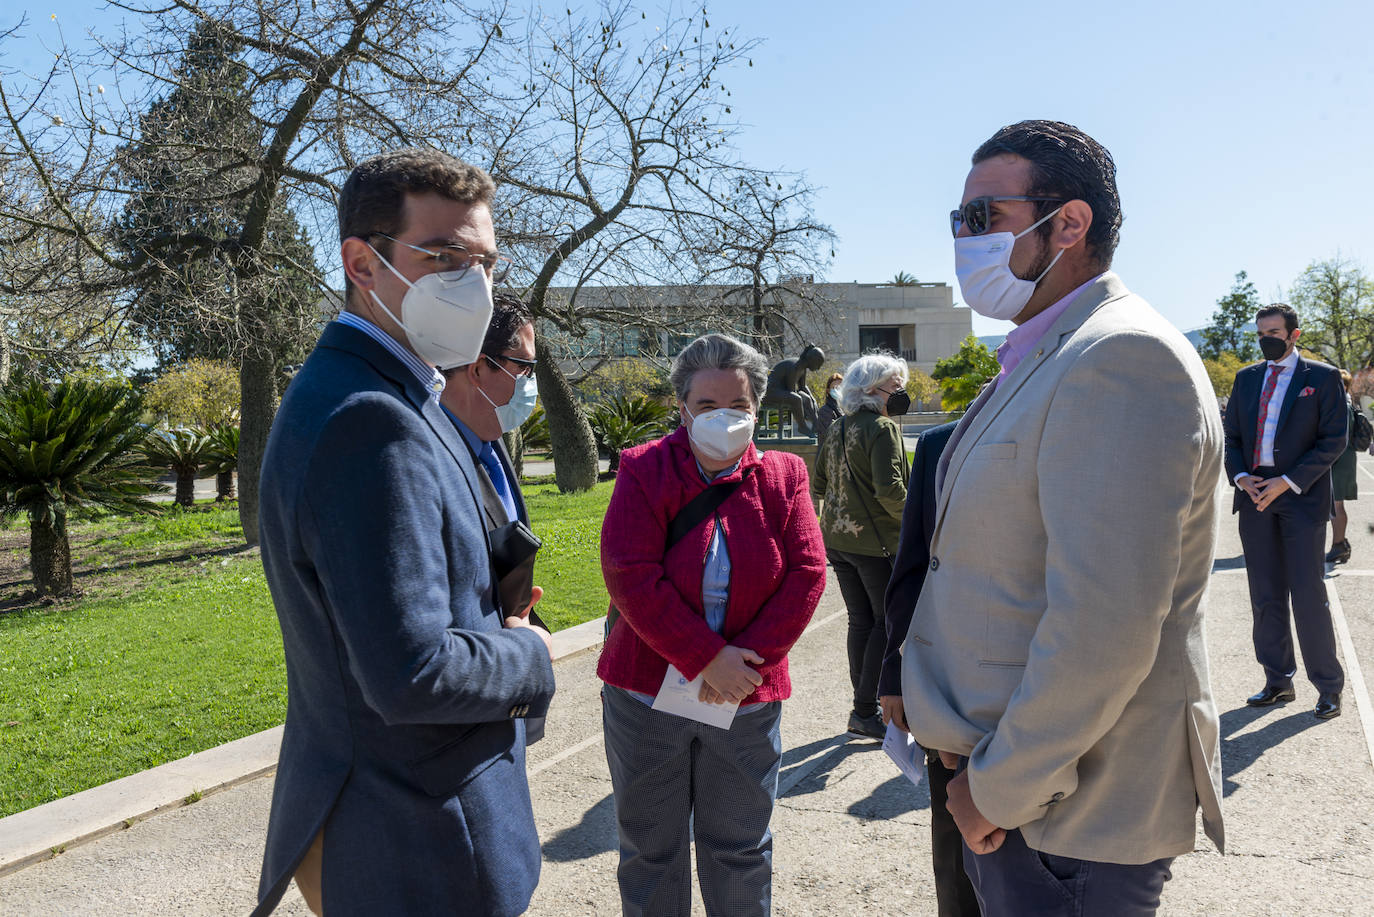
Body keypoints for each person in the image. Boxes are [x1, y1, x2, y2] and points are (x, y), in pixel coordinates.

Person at [900, 120, 1225, 916]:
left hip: (1063, 814)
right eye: (958, 220)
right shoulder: (1049, 353)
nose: (963, 239)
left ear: (1069, 224)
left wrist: (997, 791)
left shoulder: (1119, 358)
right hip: (1024, 800)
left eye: (984, 217)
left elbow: (1104, 624)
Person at [252, 149, 556, 917]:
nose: (474, 286)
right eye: (445, 256)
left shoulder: (396, 391)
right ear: (362, 262)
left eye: (484, 262)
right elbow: (410, 671)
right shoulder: (371, 418)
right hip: (420, 842)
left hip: (414, 826)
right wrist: (529, 652)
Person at [598, 333, 826, 917]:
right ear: (683, 408)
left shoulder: (784, 475)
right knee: (651, 850)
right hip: (647, 693)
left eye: (738, 407)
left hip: (746, 698)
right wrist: (705, 658)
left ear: (756, 409)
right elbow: (629, 572)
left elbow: (806, 573)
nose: (723, 419)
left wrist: (741, 664)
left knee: (741, 849)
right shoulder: (645, 468)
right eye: (707, 406)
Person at [1224, 303, 1346, 720]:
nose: (1266, 339)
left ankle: (1328, 686)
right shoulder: (1245, 379)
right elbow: (1233, 436)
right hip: (1255, 497)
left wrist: (1287, 481)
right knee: (1265, 594)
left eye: (1274, 332)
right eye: (1261, 332)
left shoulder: (1323, 378)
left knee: (1307, 595)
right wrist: (1241, 476)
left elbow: (1333, 440)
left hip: (1300, 496)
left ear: (1294, 334)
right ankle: (1278, 682)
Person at [880, 421, 979, 917]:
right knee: (957, 849)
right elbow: (913, 569)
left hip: (1048, 687)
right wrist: (894, 675)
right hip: (950, 693)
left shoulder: (1075, 429)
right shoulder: (941, 445)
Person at [439, 290, 546, 741]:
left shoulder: (492, 438)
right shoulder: (432, 457)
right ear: (477, 365)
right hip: (462, 713)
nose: (528, 381)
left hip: (506, 692)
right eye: (522, 366)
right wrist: (523, 651)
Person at [811, 352, 910, 740]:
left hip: (838, 540)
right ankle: (866, 708)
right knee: (885, 624)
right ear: (871, 390)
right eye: (895, 385)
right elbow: (891, 491)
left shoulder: (837, 427)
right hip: (876, 544)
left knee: (861, 622)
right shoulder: (882, 429)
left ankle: (862, 708)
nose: (901, 391)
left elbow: (819, 484)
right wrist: (923, 522)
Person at [1326, 368, 1359, 564]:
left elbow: (1339, 438)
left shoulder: (1341, 406)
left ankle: (1339, 544)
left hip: (1339, 460)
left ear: (1343, 386)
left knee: (1336, 506)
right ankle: (1341, 543)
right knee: (1336, 505)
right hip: (1342, 459)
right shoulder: (1344, 403)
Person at [815, 371, 844, 441]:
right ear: (828, 391)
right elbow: (831, 433)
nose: (838, 391)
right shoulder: (825, 410)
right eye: (835, 388)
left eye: (840, 388)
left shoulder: (845, 408)